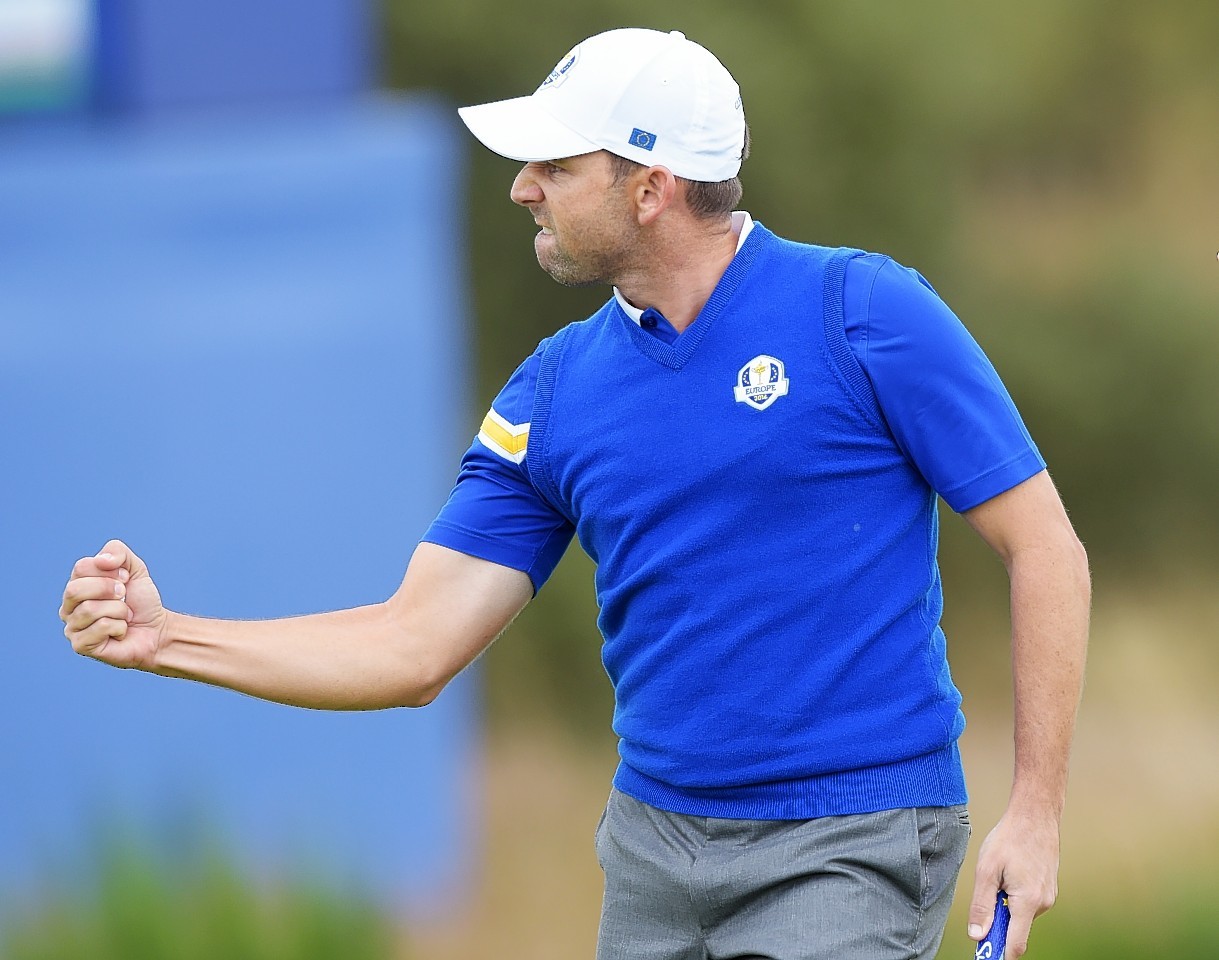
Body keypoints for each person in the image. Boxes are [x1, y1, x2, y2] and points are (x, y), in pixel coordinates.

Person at [60, 27, 1090, 960]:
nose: (522, 188)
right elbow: (411, 645)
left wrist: (1034, 811)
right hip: (653, 855)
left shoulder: (861, 313)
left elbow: (1044, 548)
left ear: (650, 187)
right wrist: (169, 638)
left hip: (847, 839)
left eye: (555, 166)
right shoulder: (553, 392)